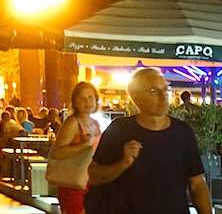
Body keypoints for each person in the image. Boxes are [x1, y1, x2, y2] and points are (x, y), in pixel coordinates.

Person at [86, 68, 211, 214]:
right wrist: (122, 164)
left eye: (165, 90)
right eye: (153, 91)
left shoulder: (182, 132)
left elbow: (197, 183)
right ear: (136, 97)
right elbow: (94, 176)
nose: (163, 96)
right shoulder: (120, 130)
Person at [48, 81, 102, 214]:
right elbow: (57, 152)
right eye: (82, 98)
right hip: (73, 184)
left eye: (90, 97)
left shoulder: (94, 123)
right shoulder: (72, 123)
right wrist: (84, 145)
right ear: (75, 102)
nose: (87, 102)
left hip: (90, 181)